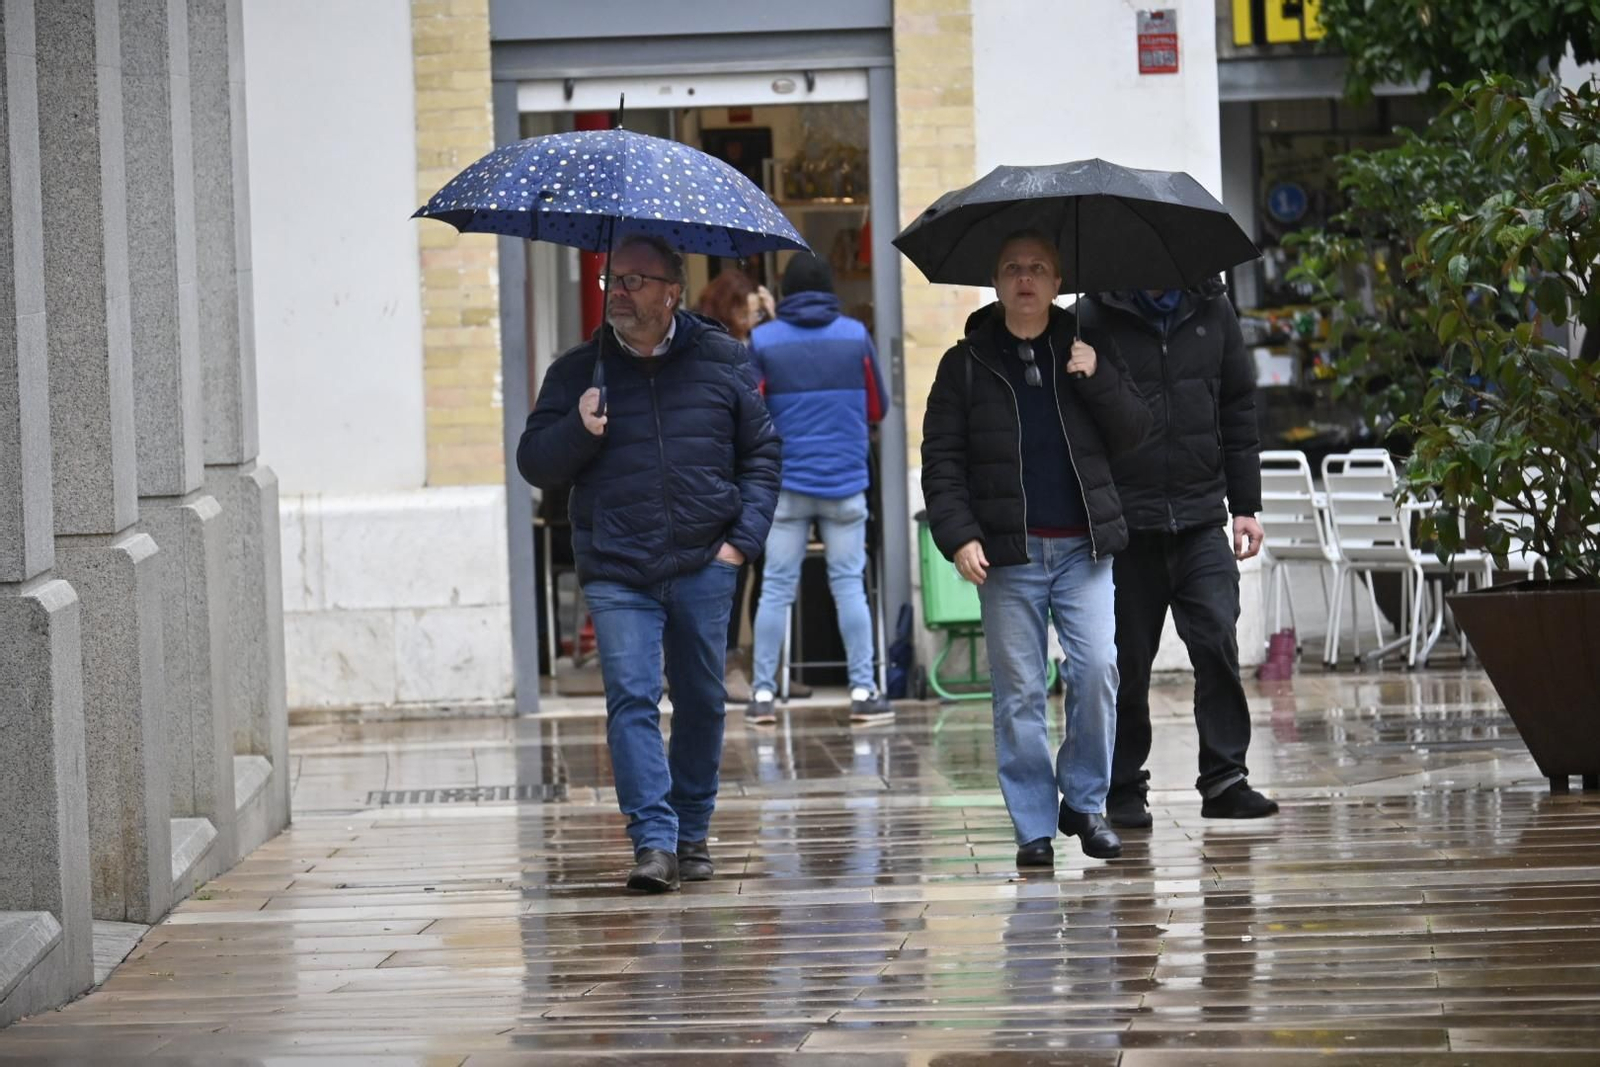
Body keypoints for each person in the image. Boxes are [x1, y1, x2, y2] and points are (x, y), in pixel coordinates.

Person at [518, 234, 781, 893]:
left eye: (636, 280)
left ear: (672, 291)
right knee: (632, 697)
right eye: (614, 278)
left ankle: (692, 830)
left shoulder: (722, 357)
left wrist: (737, 545)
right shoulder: (578, 371)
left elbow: (764, 455)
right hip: (615, 565)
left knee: (701, 699)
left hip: (703, 561)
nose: (619, 291)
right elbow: (534, 462)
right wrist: (579, 429)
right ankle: (654, 841)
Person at [921, 231, 1152, 868]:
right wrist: (959, 535)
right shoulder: (964, 364)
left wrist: (1098, 377)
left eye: (1038, 269)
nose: (1025, 278)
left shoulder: (1088, 348)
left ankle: (1083, 800)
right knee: (1019, 692)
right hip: (1009, 555)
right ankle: (1032, 826)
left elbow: (1135, 433)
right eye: (1012, 268)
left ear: (1057, 283)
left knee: (1098, 670)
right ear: (996, 284)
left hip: (1084, 549)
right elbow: (942, 461)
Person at [1078, 281, 1278, 828]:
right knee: (1128, 663)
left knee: (1216, 638)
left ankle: (1225, 778)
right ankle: (1121, 787)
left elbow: (1238, 409)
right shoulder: (1093, 314)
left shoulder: (1213, 312)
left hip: (1198, 517)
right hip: (1126, 523)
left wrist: (1246, 506)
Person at [745, 253, 891, 726]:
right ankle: (864, 690)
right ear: (830, 290)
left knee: (775, 588)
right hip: (845, 482)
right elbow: (877, 407)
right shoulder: (855, 336)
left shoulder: (763, 340)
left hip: (786, 485)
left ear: (784, 291)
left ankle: (763, 695)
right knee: (849, 586)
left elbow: (749, 412)